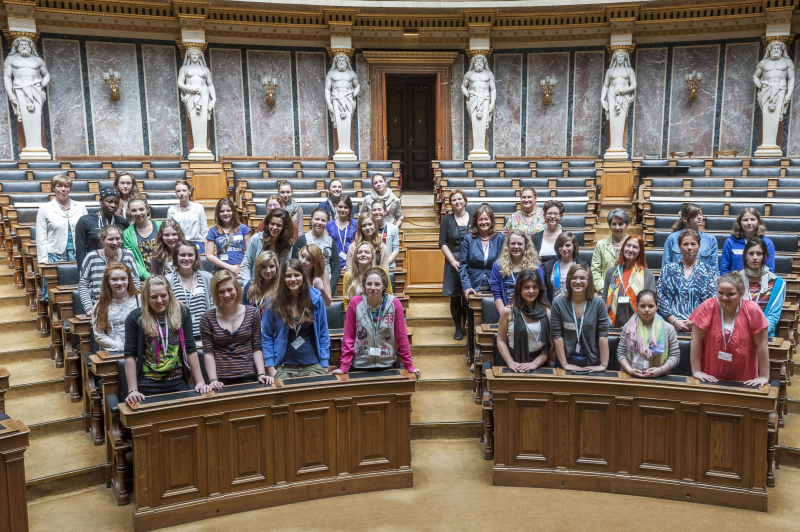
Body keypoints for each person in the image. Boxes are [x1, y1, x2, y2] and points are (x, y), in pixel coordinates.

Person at [123, 275, 209, 404]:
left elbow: (190, 347)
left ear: (170, 294)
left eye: (163, 295)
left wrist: (200, 382)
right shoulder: (135, 317)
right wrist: (133, 390)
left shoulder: (182, 311)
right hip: (148, 382)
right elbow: (130, 354)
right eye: (153, 297)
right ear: (146, 297)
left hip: (178, 380)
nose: (159, 301)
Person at [336, 267, 420, 377]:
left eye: (377, 284)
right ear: (364, 285)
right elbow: (349, 337)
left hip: (387, 363)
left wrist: (409, 365)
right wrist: (344, 366)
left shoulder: (394, 304)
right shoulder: (355, 303)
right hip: (360, 365)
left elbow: (401, 337)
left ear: (384, 286)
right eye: (369, 284)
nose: (372, 288)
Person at [690, 273, 769, 386]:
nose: (724, 298)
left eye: (731, 294)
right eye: (720, 293)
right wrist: (696, 371)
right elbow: (696, 340)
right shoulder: (707, 306)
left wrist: (764, 376)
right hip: (711, 376)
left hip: (745, 379)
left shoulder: (752, 310)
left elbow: (762, 344)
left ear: (741, 293)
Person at [261, 258, 331, 379]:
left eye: (296, 275)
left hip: (312, 364)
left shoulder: (315, 299)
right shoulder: (273, 301)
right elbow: (266, 335)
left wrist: (324, 364)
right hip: (283, 365)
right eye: (288, 276)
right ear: (282, 278)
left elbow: (323, 332)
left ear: (303, 276)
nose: (293, 279)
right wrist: (271, 368)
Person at [201, 270, 270, 388]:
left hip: (249, 375)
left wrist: (261, 374)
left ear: (237, 290)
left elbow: (256, 347)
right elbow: (208, 353)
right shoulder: (207, 318)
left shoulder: (253, 313)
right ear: (216, 294)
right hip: (221, 380)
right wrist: (213, 380)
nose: (227, 295)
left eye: (230, 290)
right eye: (221, 292)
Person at [36, 175, 88, 300]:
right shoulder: (45, 208)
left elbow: (87, 232)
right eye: (59, 186)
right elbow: (41, 236)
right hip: (54, 255)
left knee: (78, 288)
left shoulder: (80, 207)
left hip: (78, 253)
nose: (63, 189)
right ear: (53, 188)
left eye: (66, 186)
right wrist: (43, 261)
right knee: (55, 289)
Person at [550, 264, 610, 371]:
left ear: (589, 281)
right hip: (565, 362)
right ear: (568, 281)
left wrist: (603, 365)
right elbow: (557, 336)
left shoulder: (598, 304)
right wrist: (565, 365)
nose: (578, 281)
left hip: (592, 361)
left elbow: (603, 335)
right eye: (574, 278)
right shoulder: (558, 303)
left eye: (582, 278)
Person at [657, 229, 717, 332]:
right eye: (685, 244)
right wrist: (673, 320)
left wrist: (695, 322)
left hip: (700, 327)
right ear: (679, 247)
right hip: (669, 327)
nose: (689, 248)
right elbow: (660, 296)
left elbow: (712, 301)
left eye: (693, 244)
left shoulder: (709, 271)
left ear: (699, 247)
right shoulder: (668, 269)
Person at [496, 269, 553, 372]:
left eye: (535, 287)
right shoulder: (508, 311)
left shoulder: (547, 312)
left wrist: (535, 363)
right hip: (514, 363)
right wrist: (511, 363)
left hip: (540, 364)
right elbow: (501, 340)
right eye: (526, 287)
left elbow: (551, 344)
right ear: (519, 289)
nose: (531, 291)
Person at [617, 290, 680, 378]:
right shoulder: (628, 327)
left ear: (657, 307)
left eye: (651, 306)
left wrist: (660, 370)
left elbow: (675, 356)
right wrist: (630, 370)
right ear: (637, 307)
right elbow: (621, 353)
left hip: (659, 377)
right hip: (631, 375)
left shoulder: (668, 328)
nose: (646, 310)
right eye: (642, 306)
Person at [78, 225, 140, 315]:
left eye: (118, 239)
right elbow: (83, 284)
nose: (115, 243)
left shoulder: (128, 255)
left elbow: (135, 282)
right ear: (102, 241)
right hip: (101, 307)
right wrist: (89, 307)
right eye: (110, 239)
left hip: (126, 307)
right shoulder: (91, 257)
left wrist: (134, 305)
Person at [3, 37, 50, 156]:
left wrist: (43, 83)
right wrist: (11, 95)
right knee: (25, 116)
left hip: (36, 88)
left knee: (36, 115)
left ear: (31, 47)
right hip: (20, 89)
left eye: (26, 45)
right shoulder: (11, 59)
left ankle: (38, 148)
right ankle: (31, 148)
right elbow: (7, 77)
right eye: (21, 45)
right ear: (17, 46)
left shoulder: (37, 60)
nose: (24, 47)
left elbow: (46, 74)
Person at [601, 235, 656, 328]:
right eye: (628, 245)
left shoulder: (647, 274)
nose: (630, 249)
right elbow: (604, 300)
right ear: (623, 248)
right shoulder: (612, 272)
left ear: (640, 251)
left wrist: (633, 325)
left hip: (639, 326)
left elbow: (650, 305)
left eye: (635, 247)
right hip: (612, 325)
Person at [167, 240, 214, 342]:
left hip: (204, 336)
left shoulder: (207, 277)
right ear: (176, 257)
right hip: (178, 337)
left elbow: (213, 305)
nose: (186, 258)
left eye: (190, 255)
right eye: (182, 255)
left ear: (196, 257)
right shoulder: (168, 280)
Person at [439, 189, 470, 340]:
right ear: (450, 204)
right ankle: (458, 327)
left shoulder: (473, 217)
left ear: (465, 201)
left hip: (471, 262)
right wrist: (453, 261)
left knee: (468, 296)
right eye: (454, 200)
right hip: (453, 261)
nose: (457, 202)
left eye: (459, 199)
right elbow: (442, 243)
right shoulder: (446, 220)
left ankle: (468, 325)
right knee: (455, 296)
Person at [739, 237, 785, 337]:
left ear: (765, 256)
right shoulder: (735, 280)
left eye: (759, 254)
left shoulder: (777, 282)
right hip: (739, 334)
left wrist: (758, 332)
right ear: (745, 256)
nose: (755, 257)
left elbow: (774, 315)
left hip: (765, 335)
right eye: (751, 253)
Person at [753, 41, 794, 151]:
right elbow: (756, 76)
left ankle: (771, 146)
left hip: (780, 90)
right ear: (769, 50)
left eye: (778, 48)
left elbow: (791, 79)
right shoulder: (763, 63)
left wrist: (789, 94)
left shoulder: (787, 62)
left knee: (775, 116)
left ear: (782, 50)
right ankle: (765, 146)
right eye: (773, 48)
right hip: (766, 89)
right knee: (766, 116)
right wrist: (759, 84)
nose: (776, 50)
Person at [92, 262, 141, 354]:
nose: (119, 283)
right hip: (111, 350)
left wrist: (132, 346)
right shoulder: (100, 305)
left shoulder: (139, 299)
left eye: (123, 279)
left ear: (128, 279)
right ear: (107, 281)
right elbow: (99, 335)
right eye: (114, 279)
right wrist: (121, 346)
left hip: (137, 348)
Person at [74, 188, 129, 269]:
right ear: (100, 201)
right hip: (94, 267)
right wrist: (83, 273)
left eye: (116, 203)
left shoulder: (123, 222)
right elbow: (80, 251)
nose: (113, 205)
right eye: (109, 202)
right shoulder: (85, 221)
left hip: (118, 267)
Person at [291, 207, 341, 295]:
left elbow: (337, 266)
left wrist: (331, 287)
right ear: (311, 220)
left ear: (327, 223)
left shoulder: (330, 241)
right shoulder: (301, 240)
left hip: (327, 284)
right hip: (305, 284)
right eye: (317, 219)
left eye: (323, 220)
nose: (319, 223)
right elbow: (294, 265)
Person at [489, 229, 540, 315]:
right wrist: (505, 316)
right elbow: (497, 294)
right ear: (507, 245)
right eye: (513, 243)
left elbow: (540, 292)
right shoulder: (498, 266)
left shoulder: (535, 266)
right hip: (506, 312)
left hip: (530, 313)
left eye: (520, 244)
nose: (516, 246)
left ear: (526, 246)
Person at [460, 203, 504, 298]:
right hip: (472, 287)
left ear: (491, 221)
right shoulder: (468, 238)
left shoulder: (500, 238)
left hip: (495, 285)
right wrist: (467, 286)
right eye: (480, 219)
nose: (484, 222)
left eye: (486, 219)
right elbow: (463, 265)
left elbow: (504, 265)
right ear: (476, 222)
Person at [178, 48, 215, 159]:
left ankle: (203, 148)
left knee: (203, 120)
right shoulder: (184, 68)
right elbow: (180, 82)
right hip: (191, 95)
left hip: (204, 94)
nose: (194, 56)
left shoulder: (205, 70)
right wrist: (190, 90)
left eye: (196, 54)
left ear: (200, 56)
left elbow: (210, 84)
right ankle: (197, 148)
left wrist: (214, 99)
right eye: (192, 54)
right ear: (189, 56)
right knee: (194, 119)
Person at [660, 203, 718, 274]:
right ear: (685, 218)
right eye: (695, 215)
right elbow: (666, 265)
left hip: (702, 281)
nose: (699, 217)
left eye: (701, 214)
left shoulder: (710, 239)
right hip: (677, 280)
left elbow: (714, 268)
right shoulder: (672, 238)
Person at [241, 209, 294, 284]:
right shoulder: (256, 239)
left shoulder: (287, 243)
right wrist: (247, 284)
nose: (274, 227)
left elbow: (285, 269)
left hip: (277, 286)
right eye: (272, 224)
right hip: (256, 284)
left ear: (284, 228)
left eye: (279, 225)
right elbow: (247, 264)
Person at [720, 207, 775, 274]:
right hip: (735, 282)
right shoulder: (730, 242)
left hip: (758, 282)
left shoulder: (767, 243)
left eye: (752, 219)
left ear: (758, 221)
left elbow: (770, 270)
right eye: (745, 220)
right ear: (740, 222)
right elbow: (724, 268)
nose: (749, 223)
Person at [601, 50, 636, 154]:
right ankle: (613, 147)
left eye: (622, 56)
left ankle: (619, 147)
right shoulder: (610, 71)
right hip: (611, 95)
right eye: (618, 56)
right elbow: (605, 86)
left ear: (625, 58)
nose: (620, 58)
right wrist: (602, 99)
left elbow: (634, 84)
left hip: (624, 96)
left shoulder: (629, 70)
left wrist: (624, 91)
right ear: (615, 58)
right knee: (613, 119)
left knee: (621, 119)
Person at [325, 53, 360, 158]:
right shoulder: (331, 74)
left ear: (346, 62)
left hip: (348, 99)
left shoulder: (351, 74)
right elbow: (327, 89)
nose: (341, 63)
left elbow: (357, 85)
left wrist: (355, 93)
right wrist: (329, 104)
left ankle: (347, 149)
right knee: (339, 123)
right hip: (336, 99)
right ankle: (341, 149)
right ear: (336, 62)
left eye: (343, 61)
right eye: (339, 61)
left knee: (347, 122)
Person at [205, 198, 251, 275]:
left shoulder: (243, 228)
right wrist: (230, 267)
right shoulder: (213, 231)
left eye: (228, 210)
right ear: (218, 213)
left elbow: (250, 252)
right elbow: (209, 255)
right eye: (222, 211)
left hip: (241, 270)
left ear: (233, 211)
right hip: (222, 271)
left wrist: (241, 266)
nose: (225, 213)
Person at [462, 53, 495, 157]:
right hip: (473, 99)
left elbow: (493, 90)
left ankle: (481, 150)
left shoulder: (489, 74)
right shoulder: (469, 74)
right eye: (477, 61)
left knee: (483, 123)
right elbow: (463, 86)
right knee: (475, 124)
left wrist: (492, 105)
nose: (479, 63)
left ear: (484, 63)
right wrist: (467, 93)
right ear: (474, 63)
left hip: (485, 99)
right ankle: (476, 149)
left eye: (481, 61)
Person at [542, 231, 589, 303]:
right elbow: (544, 291)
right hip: (553, 307)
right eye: (561, 245)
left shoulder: (583, 266)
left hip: (575, 305)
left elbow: (588, 290)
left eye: (567, 245)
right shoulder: (549, 266)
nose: (564, 248)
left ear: (574, 246)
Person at [342, 242, 393, 307]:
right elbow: (346, 301)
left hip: (379, 313)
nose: (363, 254)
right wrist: (350, 315)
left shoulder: (382, 272)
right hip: (356, 314)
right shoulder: (348, 275)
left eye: (367, 252)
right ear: (355, 256)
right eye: (359, 252)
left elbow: (389, 296)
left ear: (372, 256)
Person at [590, 209, 630, 292]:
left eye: (621, 224)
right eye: (614, 224)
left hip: (628, 288)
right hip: (606, 288)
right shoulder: (601, 244)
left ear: (626, 225)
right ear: (609, 225)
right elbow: (595, 270)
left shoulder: (633, 244)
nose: (617, 227)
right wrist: (602, 288)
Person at [122, 197, 161, 281]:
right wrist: (147, 276)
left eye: (141, 209)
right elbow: (131, 258)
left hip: (164, 274)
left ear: (147, 210)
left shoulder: (161, 226)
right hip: (142, 279)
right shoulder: (127, 233)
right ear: (129, 212)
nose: (138, 213)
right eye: (134, 210)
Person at [167, 180, 208, 252]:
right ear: (176, 193)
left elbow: (204, 230)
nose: (181, 193)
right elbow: (170, 231)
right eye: (178, 191)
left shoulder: (198, 207)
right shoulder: (171, 210)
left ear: (189, 191)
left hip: (197, 243)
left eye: (184, 190)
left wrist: (207, 249)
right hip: (179, 243)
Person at [326, 195, 358, 271]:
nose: (342, 210)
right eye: (340, 207)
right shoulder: (329, 224)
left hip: (351, 264)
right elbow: (327, 247)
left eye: (345, 207)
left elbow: (357, 246)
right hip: (333, 264)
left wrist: (350, 264)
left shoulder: (356, 223)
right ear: (336, 207)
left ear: (350, 208)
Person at [371, 199, 400, 268]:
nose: (377, 212)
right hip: (371, 266)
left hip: (388, 266)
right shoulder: (368, 228)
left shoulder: (393, 229)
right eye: (374, 210)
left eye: (379, 209)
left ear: (385, 212)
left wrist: (384, 264)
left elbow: (395, 250)